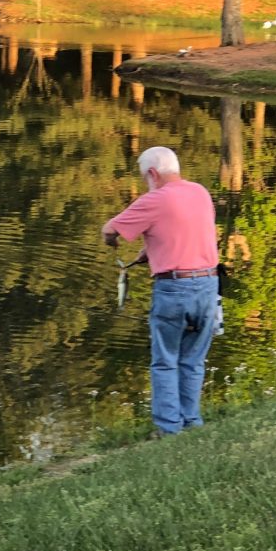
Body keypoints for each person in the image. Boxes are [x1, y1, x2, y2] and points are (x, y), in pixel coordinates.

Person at [101, 146, 219, 437]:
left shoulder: (155, 198)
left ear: (153, 173)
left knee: (165, 361)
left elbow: (109, 230)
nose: (145, 183)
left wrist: (111, 243)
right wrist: (150, 250)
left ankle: (169, 430)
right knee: (192, 360)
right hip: (209, 285)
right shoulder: (200, 192)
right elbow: (186, 230)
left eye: (144, 177)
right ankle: (191, 423)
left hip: (175, 290)